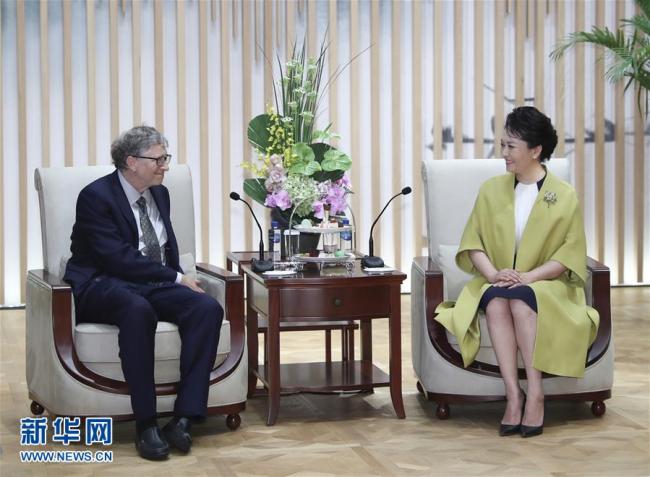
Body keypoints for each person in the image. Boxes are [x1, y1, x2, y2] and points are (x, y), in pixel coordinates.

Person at [435, 106, 599, 438]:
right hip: (497, 280)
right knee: (497, 302)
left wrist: (529, 277)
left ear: (535, 150)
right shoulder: (491, 189)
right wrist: (495, 274)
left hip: (548, 284)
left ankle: (535, 392)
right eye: (503, 144)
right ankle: (514, 394)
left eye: (511, 146)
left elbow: (569, 255)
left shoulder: (563, 196)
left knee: (520, 301)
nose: (504, 153)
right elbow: (473, 243)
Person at [63, 126, 223, 460]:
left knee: (205, 308)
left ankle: (183, 417)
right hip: (103, 283)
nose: (165, 165)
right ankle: (146, 424)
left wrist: (178, 280)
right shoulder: (96, 197)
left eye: (167, 157)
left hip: (150, 283)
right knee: (138, 310)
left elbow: (164, 248)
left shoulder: (159, 193)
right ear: (132, 161)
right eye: (159, 158)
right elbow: (117, 258)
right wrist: (176, 278)